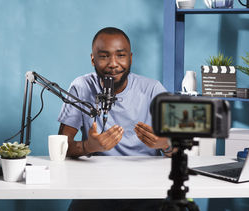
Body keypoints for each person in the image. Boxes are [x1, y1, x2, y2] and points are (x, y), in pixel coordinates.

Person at [57, 27, 173, 211]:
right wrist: (89, 146)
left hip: (147, 188)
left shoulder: (152, 89)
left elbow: (179, 149)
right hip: (96, 189)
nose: (113, 64)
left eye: (120, 55)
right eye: (104, 56)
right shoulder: (81, 87)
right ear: (93, 59)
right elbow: (61, 146)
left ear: (130, 58)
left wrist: (165, 144)